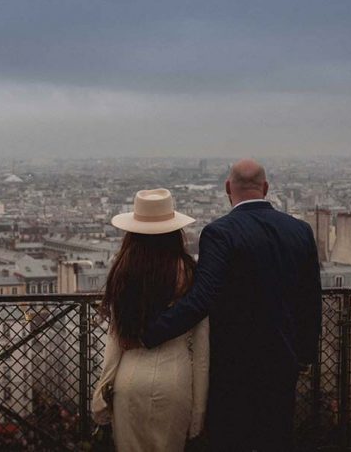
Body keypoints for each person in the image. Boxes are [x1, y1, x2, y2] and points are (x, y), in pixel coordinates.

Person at [142, 159, 322, 452]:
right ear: (266, 188)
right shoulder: (299, 230)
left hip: (233, 367)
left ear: (228, 188)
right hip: (282, 362)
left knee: (231, 440)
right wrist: (304, 354)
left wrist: (148, 333)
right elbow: (310, 300)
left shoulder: (220, 233)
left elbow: (201, 299)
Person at [92, 189, 209, 452]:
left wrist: (101, 394)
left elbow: (115, 340)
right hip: (175, 378)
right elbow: (202, 350)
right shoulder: (189, 272)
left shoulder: (124, 270)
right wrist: (199, 410)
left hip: (130, 378)